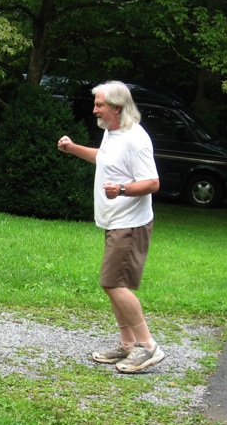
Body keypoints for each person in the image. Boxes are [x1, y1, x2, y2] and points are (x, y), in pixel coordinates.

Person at [57, 81, 164, 373]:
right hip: (115, 222)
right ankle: (128, 345)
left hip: (130, 225)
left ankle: (147, 346)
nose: (94, 110)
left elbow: (153, 182)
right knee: (116, 284)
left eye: (100, 104)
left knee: (112, 283)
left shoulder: (135, 139)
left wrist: (122, 190)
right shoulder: (112, 133)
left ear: (116, 107)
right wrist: (73, 148)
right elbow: (104, 160)